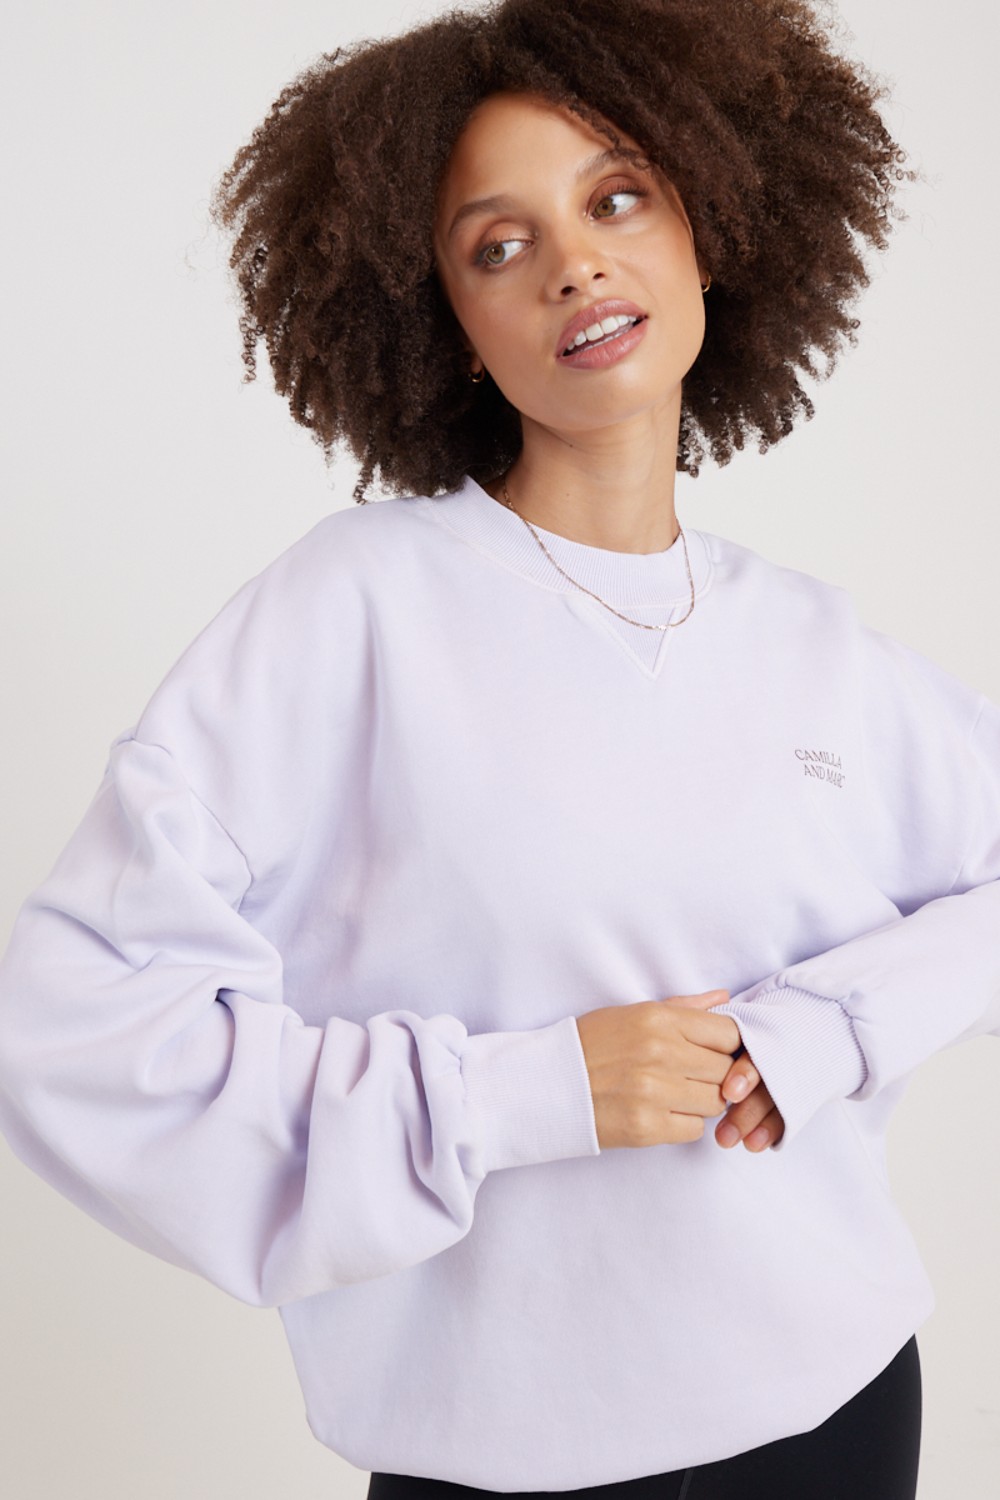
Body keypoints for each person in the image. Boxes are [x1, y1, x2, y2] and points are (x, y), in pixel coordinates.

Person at [0, 1, 997, 1497]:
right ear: (448, 330)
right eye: (498, 244)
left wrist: (835, 1027)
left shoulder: (819, 647)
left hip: (837, 1410)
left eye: (617, 199)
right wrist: (530, 1095)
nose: (574, 263)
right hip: (500, 1457)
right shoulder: (355, 613)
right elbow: (73, 1026)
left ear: (711, 233)